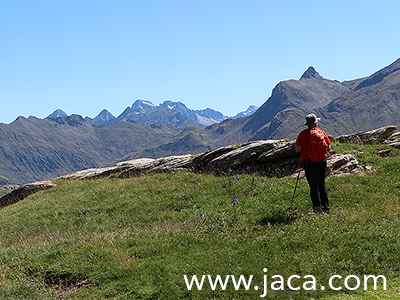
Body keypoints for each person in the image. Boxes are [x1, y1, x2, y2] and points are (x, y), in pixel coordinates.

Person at [295, 114, 331, 213]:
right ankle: (326, 208)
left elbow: (298, 149)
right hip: (322, 161)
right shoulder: (322, 133)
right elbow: (328, 147)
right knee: (322, 184)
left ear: (307, 124)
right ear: (316, 123)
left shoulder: (302, 134)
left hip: (309, 162)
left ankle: (317, 208)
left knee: (313, 186)